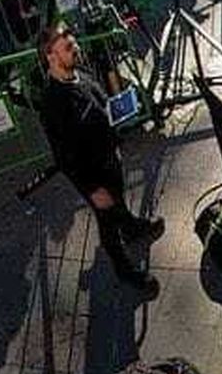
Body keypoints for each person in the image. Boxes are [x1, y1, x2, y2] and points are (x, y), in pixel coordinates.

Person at [36, 24, 164, 293]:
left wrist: (120, 111)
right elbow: (65, 157)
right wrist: (93, 189)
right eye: (69, 47)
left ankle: (130, 228)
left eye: (74, 43)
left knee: (118, 201)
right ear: (51, 56)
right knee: (107, 220)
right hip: (93, 173)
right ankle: (123, 268)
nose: (77, 49)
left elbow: (101, 103)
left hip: (110, 158)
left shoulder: (80, 73)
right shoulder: (52, 104)